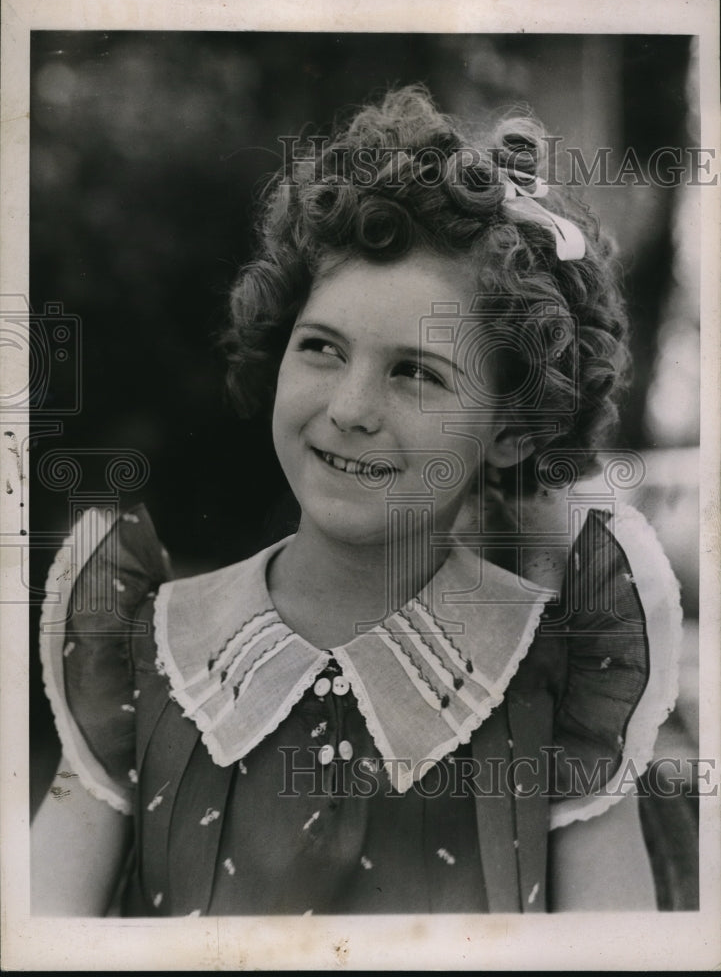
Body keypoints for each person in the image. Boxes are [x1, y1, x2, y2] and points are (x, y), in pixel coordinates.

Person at [32, 85, 682, 916]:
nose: (347, 408)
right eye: (320, 349)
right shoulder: (141, 645)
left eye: (414, 372)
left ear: (513, 431)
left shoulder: (563, 673)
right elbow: (43, 936)